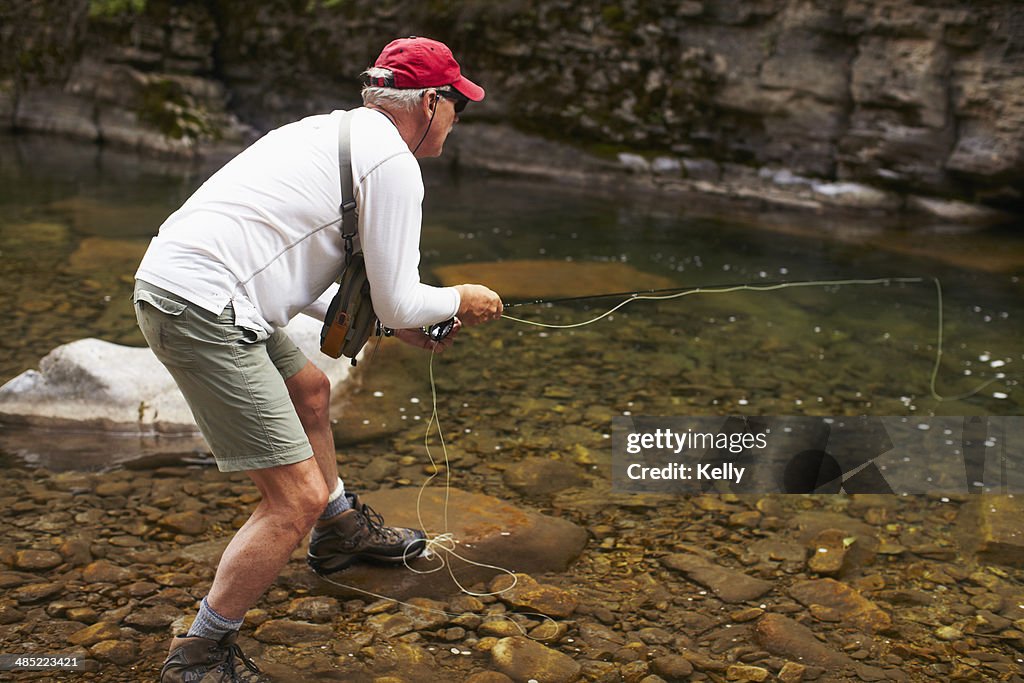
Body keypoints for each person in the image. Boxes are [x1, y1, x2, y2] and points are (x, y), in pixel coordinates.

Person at [134, 37, 503, 682]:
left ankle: (340, 533)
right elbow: (398, 297)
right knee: (290, 501)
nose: (454, 121)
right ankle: (198, 653)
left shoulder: (328, 132)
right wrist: (460, 299)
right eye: (456, 107)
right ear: (429, 103)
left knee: (310, 389)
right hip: (206, 307)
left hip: (193, 286)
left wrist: (400, 326)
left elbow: (308, 277)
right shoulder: (392, 162)